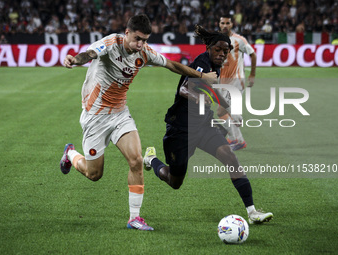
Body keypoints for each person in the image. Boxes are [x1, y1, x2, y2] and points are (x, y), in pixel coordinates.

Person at [60, 14, 217, 231]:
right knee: (94, 174)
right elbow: (88, 54)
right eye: (137, 39)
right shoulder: (110, 44)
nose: (140, 44)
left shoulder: (144, 52)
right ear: (126, 33)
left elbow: (172, 65)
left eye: (145, 40)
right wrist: (73, 60)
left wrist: (202, 77)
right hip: (95, 116)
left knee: (136, 160)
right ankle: (70, 153)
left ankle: (135, 217)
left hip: (120, 114)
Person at [143, 25, 273, 224]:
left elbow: (215, 90)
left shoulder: (216, 65)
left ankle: (252, 212)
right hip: (181, 129)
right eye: (218, 50)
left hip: (204, 125)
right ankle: (151, 160)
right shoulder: (202, 63)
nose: (221, 54)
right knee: (174, 181)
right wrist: (198, 98)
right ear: (209, 48)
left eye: (225, 51)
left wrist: (230, 108)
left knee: (231, 158)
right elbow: (184, 90)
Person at [217, 14, 257, 151]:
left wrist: (252, 74)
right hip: (223, 80)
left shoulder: (239, 40)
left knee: (224, 108)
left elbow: (253, 54)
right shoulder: (215, 41)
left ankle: (238, 126)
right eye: (222, 23)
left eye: (227, 23)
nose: (225, 26)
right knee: (221, 112)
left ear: (232, 25)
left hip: (236, 80)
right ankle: (236, 138)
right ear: (219, 24)